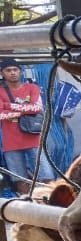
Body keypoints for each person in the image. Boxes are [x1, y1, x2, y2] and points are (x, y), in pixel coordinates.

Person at [0, 58, 45, 196]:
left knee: (46, 176)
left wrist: (8, 106)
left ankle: (52, 204)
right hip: (11, 142)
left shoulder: (32, 87)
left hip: (33, 138)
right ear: (2, 73)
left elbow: (37, 108)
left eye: (15, 69)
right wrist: (24, 110)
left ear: (20, 72)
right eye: (8, 70)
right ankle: (26, 205)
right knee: (20, 180)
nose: (12, 73)